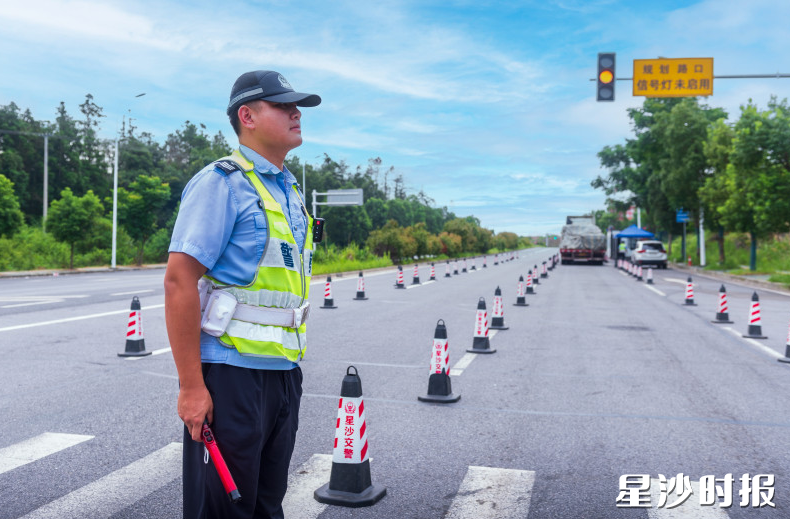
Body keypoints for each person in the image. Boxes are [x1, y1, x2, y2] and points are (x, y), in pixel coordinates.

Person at [164, 70, 321, 519]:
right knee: (223, 511)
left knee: (267, 507)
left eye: (298, 107)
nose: (295, 113)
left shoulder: (289, 189)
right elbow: (179, 281)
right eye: (283, 105)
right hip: (231, 376)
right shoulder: (222, 182)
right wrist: (192, 388)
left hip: (283, 374)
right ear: (247, 116)